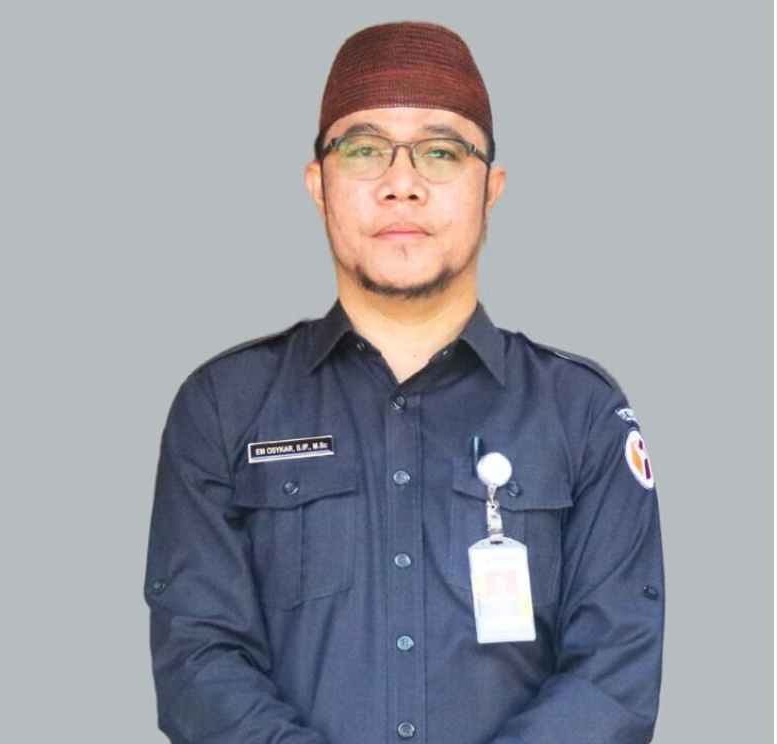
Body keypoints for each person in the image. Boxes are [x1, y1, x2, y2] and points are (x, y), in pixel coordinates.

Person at [142, 20, 665, 744]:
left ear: (491, 189)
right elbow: (198, 662)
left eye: (441, 152)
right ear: (318, 186)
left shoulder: (582, 412)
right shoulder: (224, 406)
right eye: (363, 150)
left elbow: (614, 671)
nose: (401, 185)